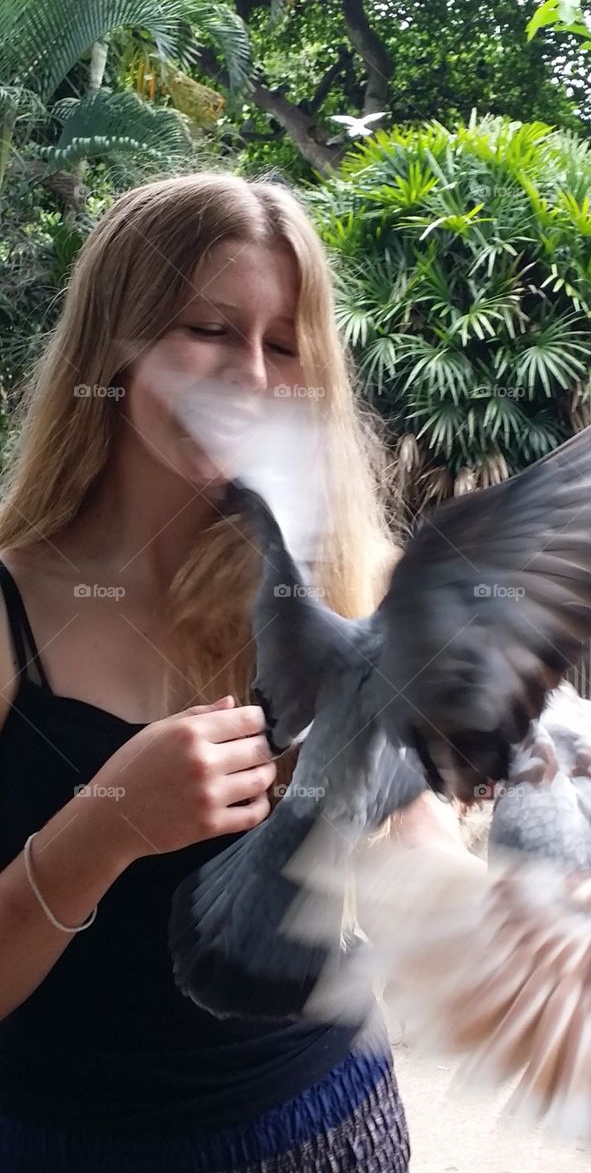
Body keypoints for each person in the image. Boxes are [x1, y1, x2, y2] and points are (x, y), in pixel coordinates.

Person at [0, 172, 467, 1173]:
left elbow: (414, 846)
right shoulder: (13, 607)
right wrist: (104, 825)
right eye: (207, 329)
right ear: (112, 348)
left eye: (283, 344)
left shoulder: (347, 581)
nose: (251, 379)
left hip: (335, 1120)